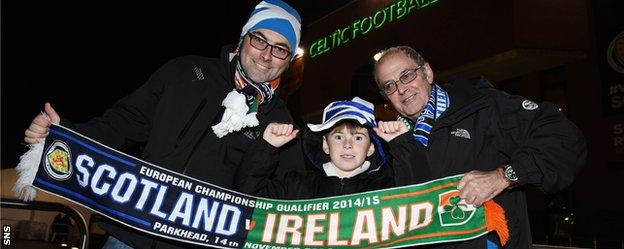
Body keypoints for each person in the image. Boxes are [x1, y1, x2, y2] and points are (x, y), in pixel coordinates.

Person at [23, 1, 304, 248]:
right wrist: (65, 134)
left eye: (280, 49)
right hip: (130, 235)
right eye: (259, 40)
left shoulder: (281, 123)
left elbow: (286, 200)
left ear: (288, 61)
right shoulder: (185, 73)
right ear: (243, 38)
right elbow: (121, 125)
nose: (267, 54)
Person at [372, 46, 587, 249]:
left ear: (427, 72)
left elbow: (565, 138)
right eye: (389, 86)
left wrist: (504, 176)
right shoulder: (394, 140)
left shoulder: (484, 108)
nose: (401, 88)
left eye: (407, 75)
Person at [236, 97, 430, 199]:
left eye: (358, 137)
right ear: (325, 145)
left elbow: (420, 197)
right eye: (338, 137)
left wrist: (402, 143)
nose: (347, 144)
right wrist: (266, 147)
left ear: (371, 148)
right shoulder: (296, 185)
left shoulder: (384, 187)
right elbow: (246, 198)